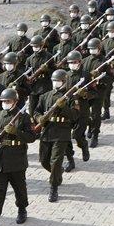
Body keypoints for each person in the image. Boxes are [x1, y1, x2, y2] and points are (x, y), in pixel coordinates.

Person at [0, 87, 34, 226]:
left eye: (8, 101)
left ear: (15, 101)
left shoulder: (24, 117)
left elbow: (31, 137)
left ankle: (22, 209)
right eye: (3, 101)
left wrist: (16, 132)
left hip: (17, 159)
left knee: (20, 189)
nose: (5, 103)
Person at [33, 68, 79, 203]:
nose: (56, 83)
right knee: (43, 161)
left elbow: (75, 115)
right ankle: (57, 174)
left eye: (58, 81)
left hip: (62, 132)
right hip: (47, 131)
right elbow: (36, 111)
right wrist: (39, 118)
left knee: (56, 161)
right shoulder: (45, 96)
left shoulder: (71, 97)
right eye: (54, 81)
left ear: (64, 82)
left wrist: (63, 107)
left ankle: (53, 187)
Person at [63, 51, 92, 171]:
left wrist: (85, 94)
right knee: (64, 137)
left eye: (74, 62)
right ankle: (70, 160)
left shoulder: (86, 75)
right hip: (68, 110)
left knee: (77, 135)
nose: (72, 65)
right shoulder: (66, 76)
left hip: (82, 110)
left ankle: (83, 145)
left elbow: (96, 92)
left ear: (80, 62)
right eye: (70, 63)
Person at [82, 38, 109, 147]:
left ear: (99, 48)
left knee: (96, 114)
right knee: (84, 113)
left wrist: (98, 79)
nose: (92, 51)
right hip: (87, 91)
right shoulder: (85, 60)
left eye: (94, 49)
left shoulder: (105, 61)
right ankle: (89, 126)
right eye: (90, 49)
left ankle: (95, 135)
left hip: (98, 91)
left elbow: (109, 77)